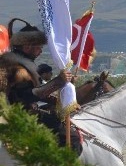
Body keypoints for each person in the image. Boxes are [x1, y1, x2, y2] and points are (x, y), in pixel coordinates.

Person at [0, 18, 76, 151]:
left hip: (19, 111)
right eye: (39, 47)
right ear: (27, 46)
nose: (41, 51)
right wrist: (59, 80)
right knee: (67, 135)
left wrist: (60, 100)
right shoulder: (18, 69)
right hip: (18, 115)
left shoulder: (18, 63)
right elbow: (30, 95)